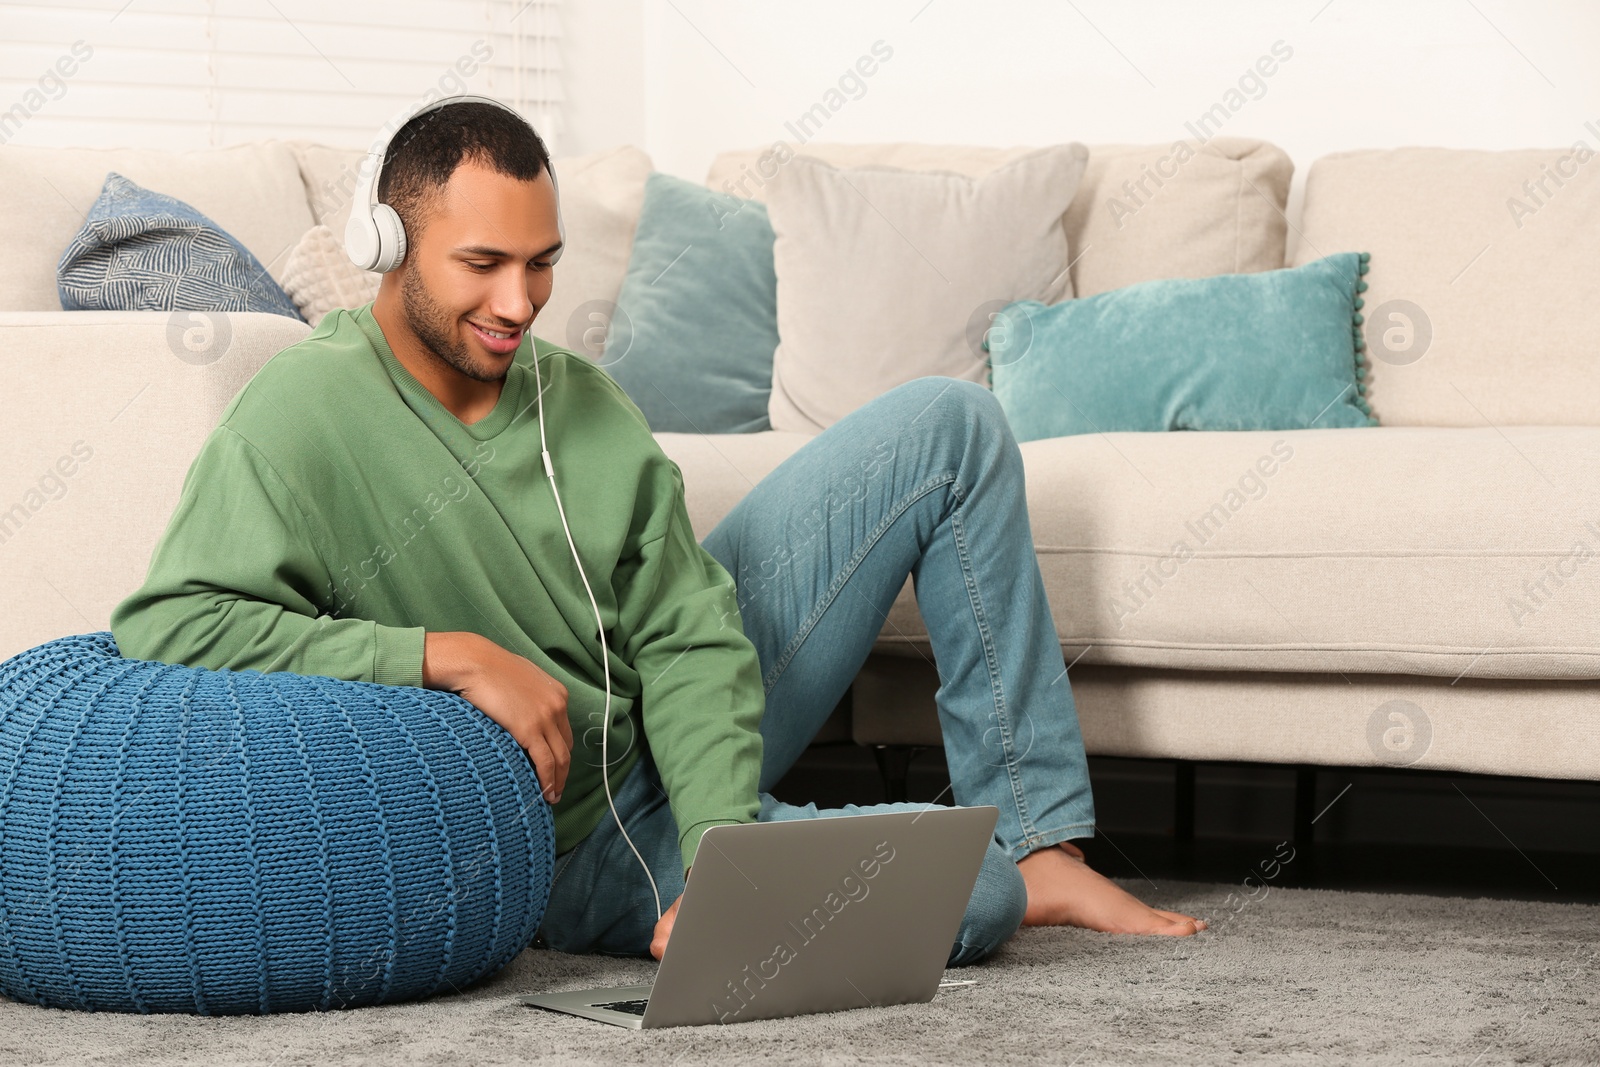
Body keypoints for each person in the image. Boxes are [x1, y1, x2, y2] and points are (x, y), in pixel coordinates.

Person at [110, 101, 1206, 968]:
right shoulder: (300, 415)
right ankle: (954, 864)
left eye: (541, 261)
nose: (520, 299)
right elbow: (171, 624)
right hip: (570, 829)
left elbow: (686, 627)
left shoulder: (579, 402)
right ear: (390, 245)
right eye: (482, 263)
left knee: (948, 422)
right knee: (976, 899)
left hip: (666, 731)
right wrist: (438, 654)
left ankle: (1038, 834)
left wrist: (724, 841)